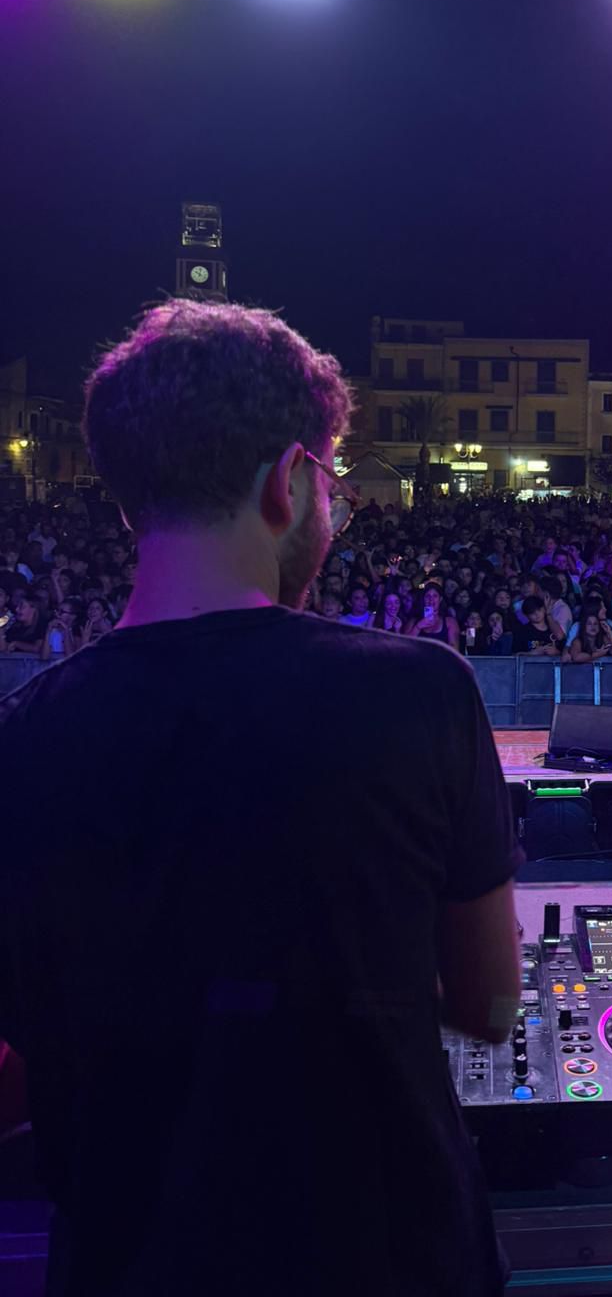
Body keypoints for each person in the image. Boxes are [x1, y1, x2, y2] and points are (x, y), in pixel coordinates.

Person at [0, 299, 521, 1297]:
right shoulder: (420, 693)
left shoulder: (19, 739)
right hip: (392, 1264)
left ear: (129, 500)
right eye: (332, 486)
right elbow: (491, 1005)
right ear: (288, 480)